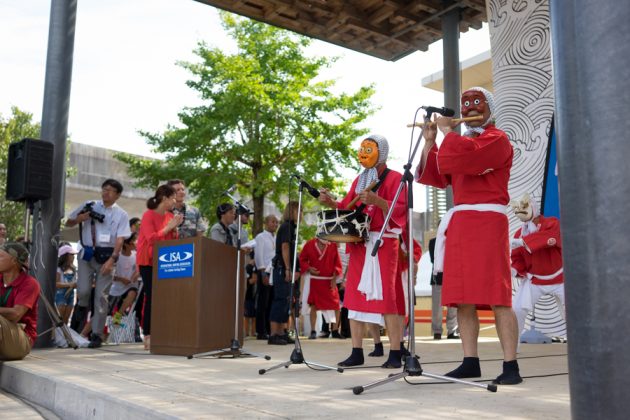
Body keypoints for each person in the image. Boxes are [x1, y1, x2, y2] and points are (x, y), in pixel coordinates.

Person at [415, 86, 521, 385]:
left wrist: (449, 135)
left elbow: (468, 160)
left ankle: (511, 365)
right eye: (466, 104)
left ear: (490, 108)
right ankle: (470, 360)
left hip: (488, 221)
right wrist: (430, 141)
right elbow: (437, 173)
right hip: (461, 221)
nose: (471, 108)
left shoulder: (497, 139)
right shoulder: (459, 142)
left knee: (499, 296)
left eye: (478, 102)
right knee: (461, 298)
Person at [319, 134, 407, 368]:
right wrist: (331, 203)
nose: (364, 153)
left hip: (383, 242)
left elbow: (402, 210)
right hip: (359, 242)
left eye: (370, 149)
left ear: (382, 153)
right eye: (362, 148)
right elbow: (347, 208)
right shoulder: (359, 180)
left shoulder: (396, 178)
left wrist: (378, 201)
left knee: (387, 297)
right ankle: (356, 350)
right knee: (353, 298)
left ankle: (396, 352)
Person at [65, 179, 131, 348]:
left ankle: (96, 334)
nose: (105, 193)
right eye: (104, 189)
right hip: (87, 253)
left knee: (101, 297)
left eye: (110, 190)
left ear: (117, 194)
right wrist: (82, 217)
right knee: (84, 291)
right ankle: (79, 315)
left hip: (107, 256)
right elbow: (68, 222)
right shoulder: (90, 204)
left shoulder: (121, 214)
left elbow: (120, 238)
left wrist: (113, 259)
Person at [509, 193, 565, 338]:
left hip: (560, 278)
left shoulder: (552, 223)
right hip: (535, 280)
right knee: (517, 309)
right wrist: (514, 270)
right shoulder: (518, 234)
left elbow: (549, 238)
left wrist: (523, 242)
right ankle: (512, 349)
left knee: (575, 310)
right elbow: (517, 258)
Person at [136, 184, 182, 350]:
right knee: (152, 296)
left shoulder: (170, 216)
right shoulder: (149, 215)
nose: (174, 202)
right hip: (147, 261)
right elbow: (151, 238)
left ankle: (163, 332)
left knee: (165, 297)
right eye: (172, 199)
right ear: (164, 199)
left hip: (165, 261)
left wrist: (175, 230)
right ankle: (148, 334)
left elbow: (170, 240)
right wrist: (169, 227)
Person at [0, 242, 40, 360]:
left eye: (1, 256)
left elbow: (16, 315)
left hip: (21, 338)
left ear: (13, 261)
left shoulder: (30, 283)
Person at [268, 202, 300, 345]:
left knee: (285, 301)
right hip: (282, 268)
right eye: (299, 211)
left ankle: (281, 332)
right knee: (280, 299)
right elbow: (285, 247)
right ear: (292, 211)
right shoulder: (287, 226)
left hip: (285, 268)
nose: (301, 214)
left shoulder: (291, 227)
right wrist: (288, 268)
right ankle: (274, 333)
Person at [299, 237, 343, 339]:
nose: (324, 244)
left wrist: (334, 276)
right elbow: (302, 259)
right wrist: (309, 268)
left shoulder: (332, 245)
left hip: (329, 280)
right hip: (315, 280)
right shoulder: (309, 244)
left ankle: (335, 330)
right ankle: (313, 331)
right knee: (313, 305)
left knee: (336, 305)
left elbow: (337, 263)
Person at [428, 236, 458, 340]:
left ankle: (452, 330)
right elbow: (434, 259)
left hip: (452, 278)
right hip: (438, 279)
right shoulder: (433, 242)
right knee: (437, 307)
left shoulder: (454, 239)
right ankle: (437, 331)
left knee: (453, 307)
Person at [254, 214, 278, 340]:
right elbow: (258, 255)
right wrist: (262, 272)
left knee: (272, 302)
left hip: (274, 272)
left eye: (276, 222)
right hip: (264, 271)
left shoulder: (276, 237)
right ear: (266, 223)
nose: (275, 224)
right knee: (263, 301)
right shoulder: (261, 237)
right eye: (273, 222)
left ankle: (270, 330)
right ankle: (260, 331)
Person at [108, 233, 140, 326]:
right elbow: (109, 275)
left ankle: (117, 318)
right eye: (133, 240)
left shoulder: (136, 255)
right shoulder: (116, 257)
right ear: (126, 244)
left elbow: (140, 268)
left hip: (130, 287)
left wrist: (137, 273)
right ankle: (84, 334)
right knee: (105, 313)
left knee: (133, 292)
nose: (135, 242)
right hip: (116, 289)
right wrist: (121, 279)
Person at [56, 244, 78, 325]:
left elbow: (75, 283)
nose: (74, 256)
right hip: (60, 295)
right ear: (65, 256)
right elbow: (56, 284)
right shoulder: (58, 269)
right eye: (71, 254)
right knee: (58, 320)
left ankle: (63, 337)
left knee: (65, 321)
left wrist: (74, 285)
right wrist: (70, 285)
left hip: (70, 295)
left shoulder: (74, 269)